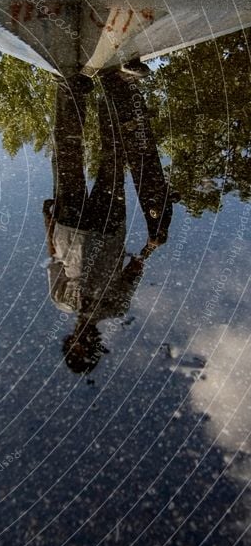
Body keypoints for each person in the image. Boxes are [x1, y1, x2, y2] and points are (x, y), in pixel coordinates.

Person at [45, 66, 174, 373]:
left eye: (77, 344)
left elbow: (52, 257)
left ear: (70, 340)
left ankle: (71, 90)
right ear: (96, 343)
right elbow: (132, 272)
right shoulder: (115, 306)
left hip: (69, 228)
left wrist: (46, 219)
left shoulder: (61, 300)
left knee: (68, 157)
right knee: (114, 160)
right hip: (108, 229)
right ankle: (114, 90)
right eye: (89, 347)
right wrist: (150, 246)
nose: (84, 339)